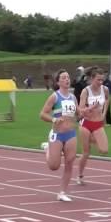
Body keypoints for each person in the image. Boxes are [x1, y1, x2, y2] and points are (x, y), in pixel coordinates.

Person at [39, 69, 78, 202]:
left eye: (68, 77)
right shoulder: (54, 96)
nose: (67, 80)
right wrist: (54, 120)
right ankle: (47, 149)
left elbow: (78, 113)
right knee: (54, 166)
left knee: (69, 163)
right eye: (64, 78)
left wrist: (88, 111)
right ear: (58, 82)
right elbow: (42, 114)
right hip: (57, 134)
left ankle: (62, 192)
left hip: (71, 134)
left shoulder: (73, 97)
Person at [77, 66, 110, 185]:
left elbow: (107, 100)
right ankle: (80, 176)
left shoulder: (104, 89)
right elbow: (80, 110)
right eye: (98, 80)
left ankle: (91, 138)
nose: (100, 82)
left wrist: (104, 113)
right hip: (86, 123)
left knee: (104, 150)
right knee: (86, 153)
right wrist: (91, 107)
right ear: (92, 78)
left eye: (102, 80)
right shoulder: (86, 91)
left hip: (98, 123)